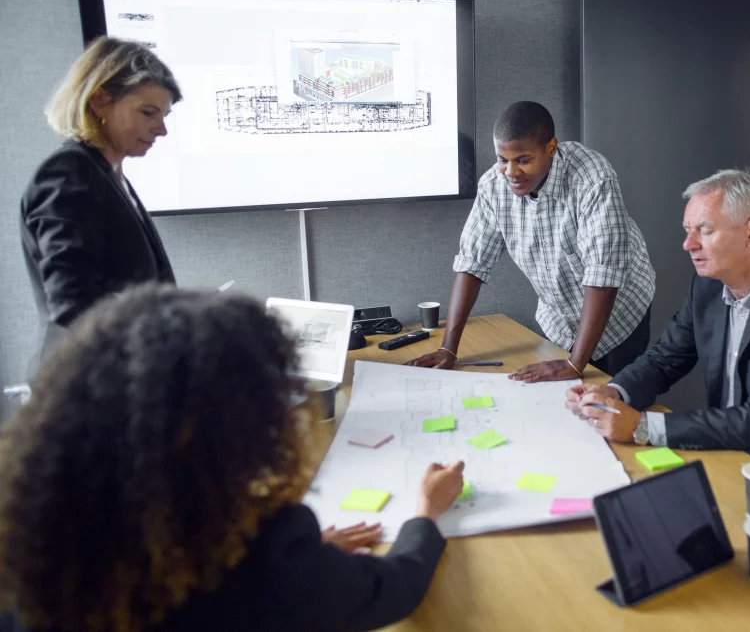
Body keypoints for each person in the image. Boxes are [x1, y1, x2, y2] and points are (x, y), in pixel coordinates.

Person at [0, 285, 465, 632]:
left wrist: (308, 560)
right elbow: (391, 589)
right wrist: (425, 512)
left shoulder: (36, 525)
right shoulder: (257, 553)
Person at [565, 170, 750, 494]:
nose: (688, 244)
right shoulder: (706, 285)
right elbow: (665, 358)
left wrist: (642, 427)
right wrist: (614, 392)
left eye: (704, 231)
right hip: (727, 458)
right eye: (688, 231)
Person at [406, 101, 656, 382]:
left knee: (616, 408)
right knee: (566, 406)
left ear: (551, 148)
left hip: (620, 315)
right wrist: (448, 348)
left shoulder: (592, 179)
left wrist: (575, 364)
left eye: (523, 160)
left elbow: (603, 274)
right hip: (560, 321)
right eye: (503, 160)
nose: (511, 172)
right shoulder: (493, 186)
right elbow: (472, 264)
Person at [21, 36, 180, 376]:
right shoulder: (68, 174)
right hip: (88, 386)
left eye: (165, 115)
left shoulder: (109, 174)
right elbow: (73, 304)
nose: (162, 129)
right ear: (99, 101)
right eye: (148, 112)